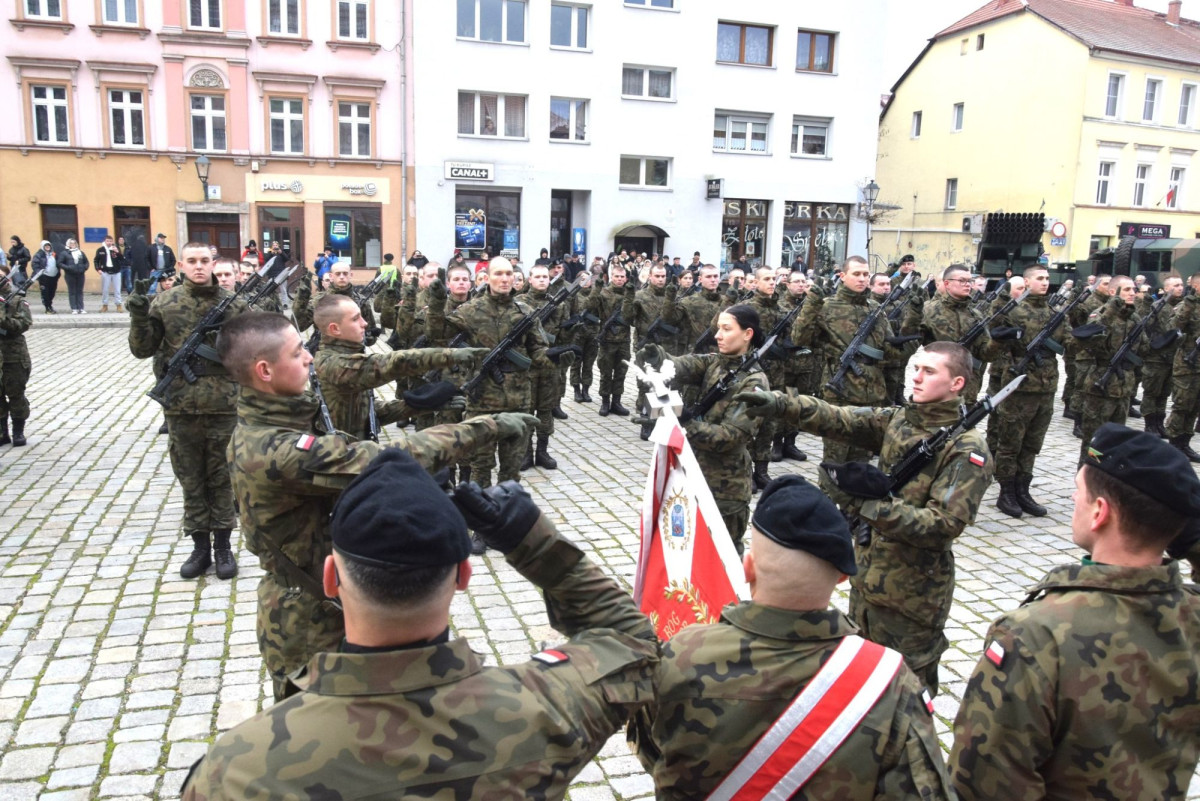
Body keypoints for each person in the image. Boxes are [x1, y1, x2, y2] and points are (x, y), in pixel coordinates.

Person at [181, 450, 657, 800]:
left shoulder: (238, 770)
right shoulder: (546, 709)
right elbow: (633, 641)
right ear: (464, 577)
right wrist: (531, 541)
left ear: (331, 578)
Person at [213, 312, 534, 701]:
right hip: (309, 620)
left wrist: (408, 407)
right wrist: (487, 427)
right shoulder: (274, 450)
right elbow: (387, 457)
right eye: (298, 353)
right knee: (318, 733)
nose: (309, 359)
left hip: (336, 599)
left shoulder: (284, 419)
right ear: (265, 370)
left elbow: (348, 440)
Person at [635, 474, 952, 799]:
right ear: (843, 576)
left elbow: (653, 751)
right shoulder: (891, 686)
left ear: (748, 568)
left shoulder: (680, 656)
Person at [949, 423, 1200, 800]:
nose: (1071, 498)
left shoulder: (1036, 635)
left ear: (1100, 512)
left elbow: (983, 783)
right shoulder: (1191, 613)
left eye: (1079, 492)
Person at [735, 342, 993, 695]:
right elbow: (838, 417)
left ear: (957, 384)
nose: (916, 377)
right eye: (916, 368)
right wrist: (780, 403)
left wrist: (864, 506)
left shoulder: (966, 449)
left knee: (906, 691)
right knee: (863, 682)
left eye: (929, 372)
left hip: (913, 595)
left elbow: (943, 525)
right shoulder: (902, 419)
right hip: (868, 577)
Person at [127, 242, 247, 581]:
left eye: (205, 261)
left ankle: (223, 546)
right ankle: (200, 548)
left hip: (224, 405)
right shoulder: (164, 302)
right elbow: (142, 349)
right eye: (192, 261)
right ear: (180, 264)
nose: (199, 267)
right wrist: (138, 314)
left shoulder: (233, 304)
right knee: (191, 478)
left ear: (213, 263)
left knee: (223, 477)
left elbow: (249, 353)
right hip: (181, 407)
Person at [638, 304, 768, 554]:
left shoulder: (754, 382)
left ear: (747, 334)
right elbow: (682, 365)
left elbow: (731, 436)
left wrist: (685, 424)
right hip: (694, 475)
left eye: (726, 329)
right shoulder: (717, 363)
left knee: (723, 561)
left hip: (725, 489)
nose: (717, 335)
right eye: (718, 328)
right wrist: (660, 358)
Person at [436, 257, 572, 488]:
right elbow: (438, 335)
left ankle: (508, 515)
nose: (505, 278)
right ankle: (482, 516)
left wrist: (555, 359)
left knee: (511, 470)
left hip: (517, 400)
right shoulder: (469, 310)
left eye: (509, 274)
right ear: (487, 278)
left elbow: (537, 351)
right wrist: (436, 300)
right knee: (481, 467)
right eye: (498, 273)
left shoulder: (525, 311)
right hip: (481, 400)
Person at [312, 294, 484, 441]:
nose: (364, 323)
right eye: (355, 319)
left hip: (358, 459)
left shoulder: (347, 357)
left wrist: (420, 406)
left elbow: (369, 413)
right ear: (334, 329)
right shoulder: (332, 364)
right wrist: (450, 356)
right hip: (340, 468)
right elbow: (392, 363)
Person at [791, 255, 893, 496]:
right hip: (840, 394)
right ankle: (827, 509)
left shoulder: (876, 309)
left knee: (861, 462)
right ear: (843, 276)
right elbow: (799, 338)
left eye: (865, 274)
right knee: (835, 462)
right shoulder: (828, 307)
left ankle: (854, 512)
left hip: (871, 395)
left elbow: (888, 351)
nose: (862, 279)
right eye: (856, 274)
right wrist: (812, 302)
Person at [990, 265, 1059, 518]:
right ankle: (1006, 492)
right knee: (1010, 443)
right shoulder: (1014, 310)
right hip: (1019, 386)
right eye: (1039, 278)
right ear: (1027, 282)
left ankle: (1023, 489)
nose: (1045, 282)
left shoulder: (1054, 312)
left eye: (1047, 278)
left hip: (1046, 387)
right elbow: (995, 331)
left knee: (1032, 444)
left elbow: (1067, 344)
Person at [904, 264, 1004, 404]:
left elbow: (985, 355)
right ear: (947, 283)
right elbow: (909, 343)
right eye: (962, 281)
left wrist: (997, 341)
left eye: (969, 281)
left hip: (968, 392)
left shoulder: (975, 315)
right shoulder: (929, 310)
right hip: (937, 392)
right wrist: (913, 314)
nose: (967, 285)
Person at [1074, 275, 1145, 464]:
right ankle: (1087, 475)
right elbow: (1090, 340)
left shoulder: (1135, 318)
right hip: (1101, 385)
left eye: (1134, 290)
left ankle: (1105, 474)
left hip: (1123, 387)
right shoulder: (1100, 314)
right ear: (1113, 292)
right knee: (1094, 440)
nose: (1133, 293)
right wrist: (1111, 312)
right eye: (1127, 289)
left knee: (1115, 438)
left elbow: (1144, 349)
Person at [588, 261, 633, 417]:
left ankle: (616, 402)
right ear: (611, 277)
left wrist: (631, 295)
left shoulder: (630, 293)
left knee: (621, 372)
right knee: (606, 373)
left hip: (624, 340)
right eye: (616, 276)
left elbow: (631, 316)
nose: (619, 279)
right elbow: (591, 305)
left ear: (626, 278)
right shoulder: (604, 293)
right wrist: (597, 287)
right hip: (607, 340)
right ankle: (605, 402)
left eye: (622, 277)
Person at [1164, 271, 1200, 461]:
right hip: (1187, 365)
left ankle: (1185, 443)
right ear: (1195, 287)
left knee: (1195, 407)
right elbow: (1172, 327)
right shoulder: (1185, 306)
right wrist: (1189, 304)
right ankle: (1174, 444)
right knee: (1182, 406)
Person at [293, 262, 377, 337]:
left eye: (345, 273)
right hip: (325, 349)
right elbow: (299, 326)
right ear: (331, 276)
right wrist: (301, 299)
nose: (341, 277)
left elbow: (371, 334)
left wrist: (367, 335)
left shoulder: (361, 301)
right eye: (338, 274)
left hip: (354, 350)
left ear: (351, 275)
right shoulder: (319, 300)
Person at [0, 264, 33, 446]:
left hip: (13, 355)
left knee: (16, 394)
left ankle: (18, 430)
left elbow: (24, 324)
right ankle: (2, 432)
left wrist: (3, 320)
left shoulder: (17, 300)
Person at [93, 235, 126, 314]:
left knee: (117, 290)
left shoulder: (115, 249)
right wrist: (98, 269)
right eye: (108, 241)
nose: (109, 243)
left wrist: (117, 253)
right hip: (105, 272)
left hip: (116, 272)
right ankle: (105, 305)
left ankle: (118, 305)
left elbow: (122, 259)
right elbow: (96, 260)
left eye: (111, 241)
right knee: (105, 289)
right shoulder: (100, 250)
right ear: (105, 241)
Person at [60, 238, 90, 315]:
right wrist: (68, 268)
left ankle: (81, 307)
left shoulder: (80, 253)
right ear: (68, 244)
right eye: (71, 243)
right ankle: (74, 308)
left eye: (74, 243)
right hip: (70, 275)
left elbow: (86, 262)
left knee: (79, 291)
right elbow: (59, 263)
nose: (73, 245)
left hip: (80, 274)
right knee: (72, 291)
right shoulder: (65, 253)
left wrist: (84, 268)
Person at [30, 240, 60, 314]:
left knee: (52, 292)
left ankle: (49, 304)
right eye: (46, 246)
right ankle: (47, 307)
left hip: (54, 276)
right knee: (45, 293)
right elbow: (35, 264)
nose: (47, 247)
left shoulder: (54, 254)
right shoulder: (39, 254)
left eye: (48, 246)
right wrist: (40, 273)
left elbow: (58, 262)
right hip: (44, 277)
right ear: (43, 247)